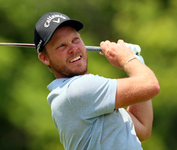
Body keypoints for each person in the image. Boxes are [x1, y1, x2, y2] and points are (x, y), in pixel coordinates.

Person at [34, 12, 160, 150]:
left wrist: (136, 59)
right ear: (45, 58)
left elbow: (142, 129)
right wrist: (128, 59)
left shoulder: (92, 99)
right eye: (61, 46)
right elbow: (151, 85)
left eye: (75, 39)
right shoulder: (77, 89)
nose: (73, 49)